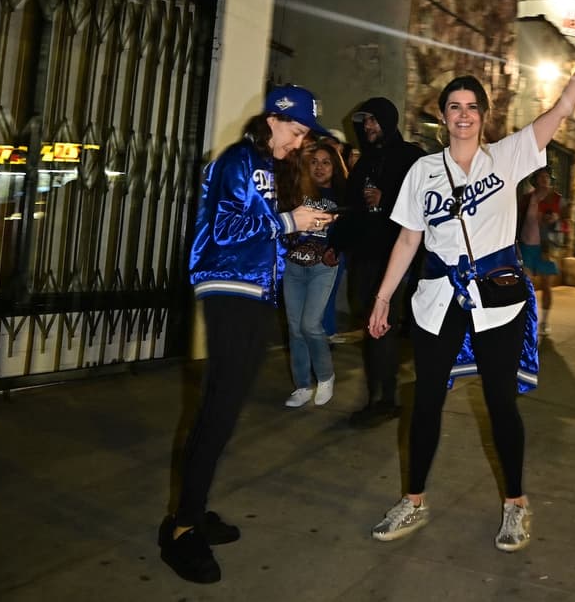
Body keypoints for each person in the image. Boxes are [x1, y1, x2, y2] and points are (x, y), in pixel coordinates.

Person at [365, 22, 575, 552]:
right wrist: (384, 296)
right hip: (437, 298)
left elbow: (561, 112)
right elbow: (409, 241)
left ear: (484, 116)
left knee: (501, 403)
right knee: (427, 401)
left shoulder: (507, 158)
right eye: (453, 106)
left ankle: (516, 505)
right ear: (442, 115)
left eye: (471, 107)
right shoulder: (422, 172)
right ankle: (413, 499)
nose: (462, 115)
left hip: (497, 297)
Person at [158, 85, 332, 584]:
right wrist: (287, 220)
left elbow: (262, 227)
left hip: (256, 291)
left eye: (303, 135)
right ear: (274, 120)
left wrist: (296, 226)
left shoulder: (269, 165)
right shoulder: (237, 159)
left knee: (226, 407)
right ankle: (182, 529)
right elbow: (223, 229)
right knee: (218, 406)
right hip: (228, 286)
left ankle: (193, 509)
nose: (299, 144)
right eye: (296, 132)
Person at [342, 97, 425, 427]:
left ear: (389, 121)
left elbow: (421, 205)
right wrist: (337, 244)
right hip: (364, 257)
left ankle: (385, 400)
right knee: (371, 327)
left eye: (374, 120)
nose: (368, 126)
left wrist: (385, 199)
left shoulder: (410, 158)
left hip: (393, 259)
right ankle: (380, 395)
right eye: (365, 122)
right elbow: (351, 206)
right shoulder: (364, 163)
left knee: (382, 329)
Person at [276, 137, 347, 408]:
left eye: (326, 162)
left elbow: (349, 233)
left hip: (322, 268)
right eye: (314, 162)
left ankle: (326, 376)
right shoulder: (296, 191)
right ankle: (302, 385)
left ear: (335, 167)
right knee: (294, 329)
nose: (319, 167)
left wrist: (338, 248)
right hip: (293, 266)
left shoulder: (341, 197)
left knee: (310, 325)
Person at [517, 167, 563, 336]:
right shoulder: (527, 198)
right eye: (541, 176)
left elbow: (566, 224)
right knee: (526, 286)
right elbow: (518, 219)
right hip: (527, 245)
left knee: (546, 286)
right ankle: (528, 319)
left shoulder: (557, 199)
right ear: (535, 180)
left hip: (546, 248)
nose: (544, 179)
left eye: (547, 177)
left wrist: (556, 220)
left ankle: (545, 321)